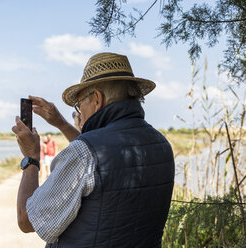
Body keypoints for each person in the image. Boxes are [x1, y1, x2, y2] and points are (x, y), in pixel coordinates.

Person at [12, 52, 175, 247]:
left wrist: (31, 158)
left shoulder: (85, 152)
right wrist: (61, 123)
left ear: (97, 99)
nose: (80, 113)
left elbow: (27, 220)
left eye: (79, 105)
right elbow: (99, 158)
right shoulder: (161, 144)